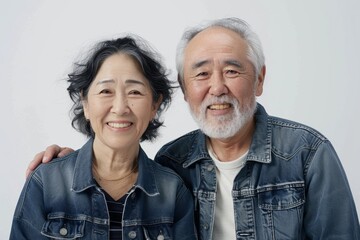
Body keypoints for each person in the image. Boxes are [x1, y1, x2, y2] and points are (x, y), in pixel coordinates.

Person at [26, 18, 360, 239]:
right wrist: (69, 165)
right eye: (201, 74)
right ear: (184, 90)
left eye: (232, 71)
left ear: (259, 80)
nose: (217, 88)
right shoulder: (173, 163)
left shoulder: (307, 154)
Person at [11, 35, 197, 240]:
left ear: (155, 105)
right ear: (85, 103)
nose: (120, 108)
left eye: (135, 92)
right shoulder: (46, 182)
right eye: (106, 91)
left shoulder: (173, 191)